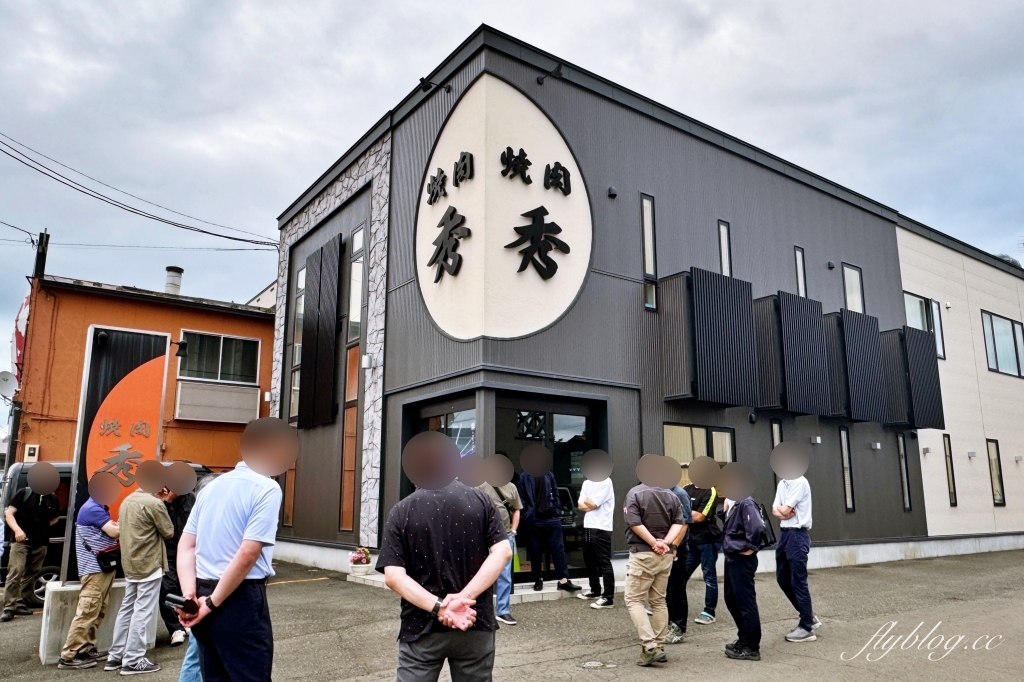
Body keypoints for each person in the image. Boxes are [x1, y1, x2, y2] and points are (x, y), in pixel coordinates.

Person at [175, 421, 292, 682]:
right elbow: (247, 554)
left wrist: (190, 597)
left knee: (213, 677)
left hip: (201, 592)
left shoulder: (211, 486)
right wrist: (213, 603)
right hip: (239, 597)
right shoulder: (267, 488)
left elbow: (186, 545)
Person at [378, 479, 512, 681]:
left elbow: (393, 576)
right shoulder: (482, 500)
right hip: (474, 620)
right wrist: (464, 599)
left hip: (420, 628)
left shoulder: (401, 510)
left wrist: (440, 607)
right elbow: (503, 551)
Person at [106, 486, 174, 675]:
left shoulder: (127, 501)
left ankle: (115, 656)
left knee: (127, 608)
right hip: (149, 563)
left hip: (130, 563)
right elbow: (168, 532)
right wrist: (164, 502)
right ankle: (133, 659)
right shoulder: (154, 504)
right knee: (142, 611)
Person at [622, 478, 686, 666]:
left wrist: (653, 543)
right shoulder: (671, 494)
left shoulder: (634, 493)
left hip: (642, 553)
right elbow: (679, 522)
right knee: (659, 600)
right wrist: (665, 542)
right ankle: (659, 646)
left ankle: (649, 646)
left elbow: (634, 523)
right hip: (664, 556)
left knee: (633, 599)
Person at [57, 495, 120, 669]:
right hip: (94, 569)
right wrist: (124, 525)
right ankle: (68, 656)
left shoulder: (99, 508)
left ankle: (86, 647)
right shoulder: (92, 508)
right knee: (87, 611)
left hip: (101, 568)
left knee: (98, 610)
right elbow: (114, 532)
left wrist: (116, 526)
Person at [665, 480, 721, 643]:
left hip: (708, 539)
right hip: (691, 540)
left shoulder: (710, 490)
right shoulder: (686, 489)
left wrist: (687, 515)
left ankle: (709, 611)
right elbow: (685, 515)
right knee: (679, 579)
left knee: (709, 576)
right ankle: (672, 615)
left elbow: (699, 516)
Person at [2, 482, 59, 621]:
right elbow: (9, 514)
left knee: (33, 572)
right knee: (16, 571)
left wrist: (41, 527)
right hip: (21, 541)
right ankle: (9, 608)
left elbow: (55, 518)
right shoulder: (24, 493)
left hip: (40, 541)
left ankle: (20, 602)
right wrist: (17, 530)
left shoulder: (53, 498)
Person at [773, 472, 819, 642]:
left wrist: (782, 511)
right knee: (782, 579)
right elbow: (775, 510)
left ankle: (807, 627)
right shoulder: (782, 484)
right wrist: (782, 512)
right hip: (785, 534)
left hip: (797, 534)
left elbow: (783, 509)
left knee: (798, 581)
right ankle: (809, 615)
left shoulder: (800, 482)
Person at [517, 469, 580, 593]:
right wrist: (527, 514)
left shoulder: (549, 474)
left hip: (551, 517)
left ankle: (563, 580)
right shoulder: (524, 477)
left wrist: (556, 509)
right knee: (535, 550)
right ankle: (538, 579)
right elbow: (522, 498)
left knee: (558, 548)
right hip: (534, 518)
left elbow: (555, 493)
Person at [721, 494, 768, 662]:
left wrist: (751, 547)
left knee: (744, 602)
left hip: (741, 559)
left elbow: (757, 528)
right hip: (733, 558)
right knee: (731, 599)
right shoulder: (734, 503)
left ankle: (752, 647)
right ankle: (744, 639)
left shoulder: (745, 502)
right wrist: (725, 510)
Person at [477, 477, 522, 626]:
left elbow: (516, 510)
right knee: (480, 573)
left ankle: (503, 610)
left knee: (505, 575)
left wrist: (513, 531)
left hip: (505, 536)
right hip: (484, 536)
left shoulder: (511, 487)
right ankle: (481, 609)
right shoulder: (481, 484)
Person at [159, 485, 196, 647]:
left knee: (187, 588)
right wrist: (168, 500)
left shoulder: (192, 499)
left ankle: (187, 621)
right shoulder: (161, 498)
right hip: (167, 550)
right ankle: (175, 629)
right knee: (167, 588)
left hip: (188, 551)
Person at [577, 472, 616, 608]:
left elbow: (592, 503)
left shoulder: (606, 482)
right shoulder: (587, 483)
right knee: (589, 561)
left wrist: (590, 501)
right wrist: (592, 503)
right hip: (588, 526)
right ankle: (595, 590)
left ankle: (608, 597)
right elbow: (580, 505)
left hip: (601, 528)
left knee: (603, 562)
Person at [663, 482, 693, 643]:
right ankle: (668, 623)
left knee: (676, 589)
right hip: (661, 547)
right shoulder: (658, 491)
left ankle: (678, 627)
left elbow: (685, 522)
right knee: (665, 589)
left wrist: (674, 546)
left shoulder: (679, 493)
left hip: (677, 549)